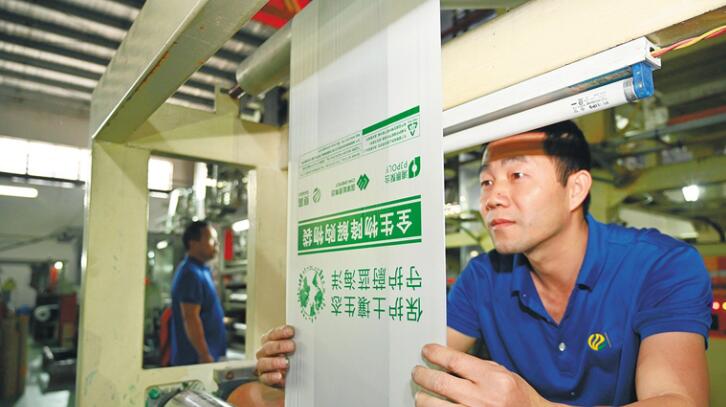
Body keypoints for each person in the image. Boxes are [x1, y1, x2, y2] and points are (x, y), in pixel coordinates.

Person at [254, 121, 712, 406]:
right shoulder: (483, 277)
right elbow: (414, 359)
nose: (492, 197)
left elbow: (678, 401)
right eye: (487, 181)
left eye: (517, 175)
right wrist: (313, 363)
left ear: (575, 189)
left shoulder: (662, 266)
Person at [170, 220, 227, 366]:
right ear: (193, 243)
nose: (216, 244)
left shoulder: (201, 270)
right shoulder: (189, 273)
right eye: (211, 239)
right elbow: (190, 317)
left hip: (208, 357)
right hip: (195, 361)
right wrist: (204, 355)